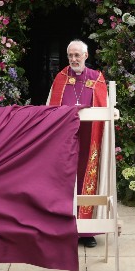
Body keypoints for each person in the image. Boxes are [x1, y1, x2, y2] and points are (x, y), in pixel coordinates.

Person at [47, 39, 107, 248]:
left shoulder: (97, 78)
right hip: (65, 140)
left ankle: (87, 230)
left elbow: (103, 107)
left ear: (86, 56)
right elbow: (51, 110)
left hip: (90, 139)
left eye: (77, 55)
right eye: (70, 55)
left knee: (86, 178)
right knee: (64, 179)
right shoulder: (61, 78)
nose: (73, 59)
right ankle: (63, 228)